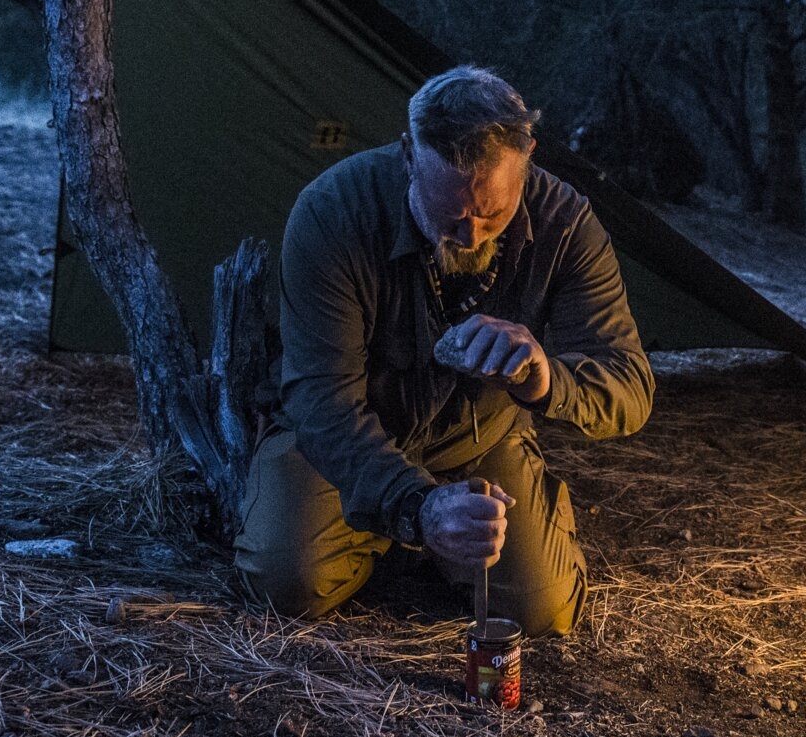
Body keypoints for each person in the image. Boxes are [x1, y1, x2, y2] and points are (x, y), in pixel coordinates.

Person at [233, 66, 654, 634]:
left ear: (527, 154)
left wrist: (545, 379)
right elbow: (320, 400)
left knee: (542, 612)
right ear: (409, 155)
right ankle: (401, 535)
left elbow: (628, 386)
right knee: (287, 584)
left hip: (480, 441)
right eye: (449, 216)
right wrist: (419, 507)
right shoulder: (334, 211)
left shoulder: (567, 226)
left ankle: (422, 540)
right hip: (348, 443)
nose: (471, 235)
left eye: (493, 215)